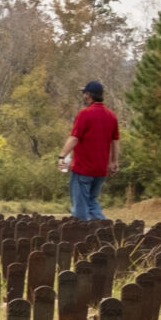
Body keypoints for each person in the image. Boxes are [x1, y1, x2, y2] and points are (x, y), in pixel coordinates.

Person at [61, 80, 118, 220]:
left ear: (89, 95)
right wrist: (114, 162)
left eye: (84, 93)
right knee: (92, 203)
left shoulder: (85, 114)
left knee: (80, 208)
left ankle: (86, 235)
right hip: (100, 170)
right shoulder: (111, 116)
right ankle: (104, 232)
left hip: (83, 169)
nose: (83, 96)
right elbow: (115, 141)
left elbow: (74, 138)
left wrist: (62, 156)